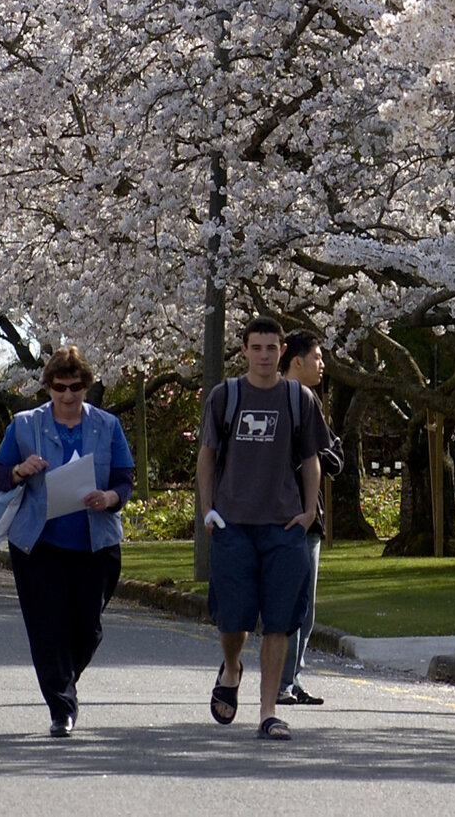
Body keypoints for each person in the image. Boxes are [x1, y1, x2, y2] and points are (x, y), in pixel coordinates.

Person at [0, 346, 135, 737]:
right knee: (46, 627)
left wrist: (110, 498)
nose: (68, 396)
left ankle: (64, 679)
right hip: (39, 545)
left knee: (88, 628)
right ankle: (61, 707)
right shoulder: (24, 425)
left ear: (86, 386)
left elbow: (124, 478)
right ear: (48, 387)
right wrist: (21, 470)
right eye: (59, 388)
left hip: (95, 543)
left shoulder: (107, 426)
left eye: (75, 388)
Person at [197, 316, 325, 741]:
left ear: (282, 351)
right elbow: (208, 455)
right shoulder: (225, 396)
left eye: (272, 348)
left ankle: (268, 711)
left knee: (278, 623)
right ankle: (232, 666)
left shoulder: (299, 398)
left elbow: (311, 459)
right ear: (245, 350)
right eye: (257, 347)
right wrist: (208, 509)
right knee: (233, 619)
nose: (265, 356)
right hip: (233, 526)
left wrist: (308, 513)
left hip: (282, 527)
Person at [276, 330, 345, 708]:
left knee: (302, 606)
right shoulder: (295, 399)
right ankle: (283, 681)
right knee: (294, 604)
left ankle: (291, 677)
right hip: (295, 517)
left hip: (297, 515)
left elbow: (332, 455)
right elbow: (329, 456)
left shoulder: (306, 400)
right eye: (317, 356)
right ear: (296, 360)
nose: (322, 364)